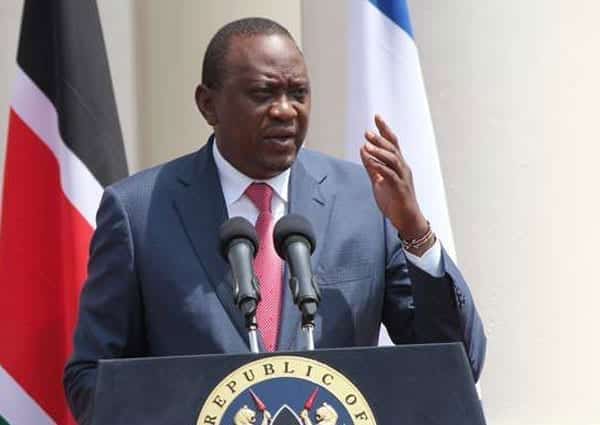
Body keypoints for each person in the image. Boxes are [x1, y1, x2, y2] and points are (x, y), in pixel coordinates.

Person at [64, 17, 486, 424]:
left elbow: (456, 364)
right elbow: (90, 381)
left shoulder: (365, 202)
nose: (285, 111)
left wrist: (415, 232)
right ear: (207, 104)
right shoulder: (138, 212)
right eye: (264, 94)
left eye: (298, 93)